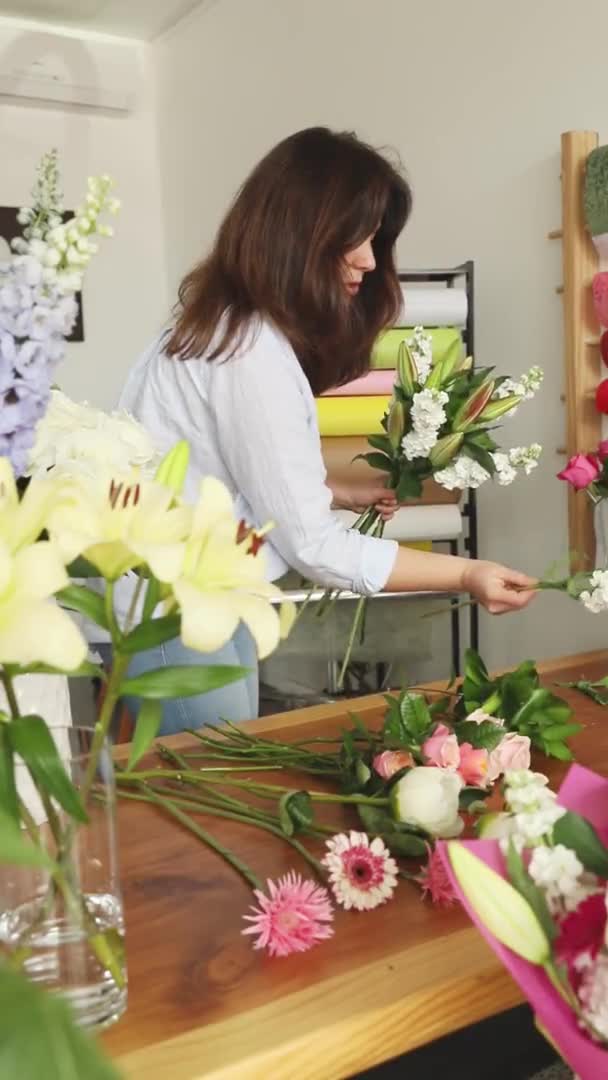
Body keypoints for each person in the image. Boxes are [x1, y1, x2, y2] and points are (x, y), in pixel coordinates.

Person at [117, 127, 535, 735]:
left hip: (182, 603)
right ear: (297, 233)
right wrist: (468, 574)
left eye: (374, 240)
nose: (368, 260)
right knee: (208, 789)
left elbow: (213, 462)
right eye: (355, 238)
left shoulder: (218, 324)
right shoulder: (246, 351)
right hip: (177, 614)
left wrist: (331, 490)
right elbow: (316, 548)